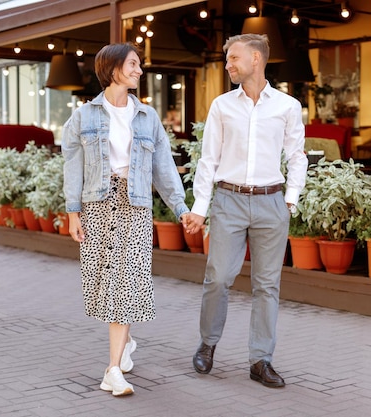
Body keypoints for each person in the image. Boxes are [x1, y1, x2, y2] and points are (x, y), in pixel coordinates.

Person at [62, 43, 189, 397]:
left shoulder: (147, 117)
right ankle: (126, 341)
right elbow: (71, 166)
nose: (139, 71)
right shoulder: (84, 116)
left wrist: (181, 209)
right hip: (98, 206)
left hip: (135, 207)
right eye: (133, 64)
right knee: (107, 283)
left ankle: (112, 370)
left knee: (125, 282)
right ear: (113, 68)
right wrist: (73, 213)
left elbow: (164, 169)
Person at [182, 33, 307, 388]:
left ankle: (260, 360)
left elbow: (297, 156)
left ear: (256, 59)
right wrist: (200, 209)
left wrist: (290, 199)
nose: (227, 65)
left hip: (271, 202)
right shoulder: (222, 105)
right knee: (218, 277)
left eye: (233, 58)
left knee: (267, 286)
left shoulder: (286, 106)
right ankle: (208, 343)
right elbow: (209, 160)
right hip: (229, 200)